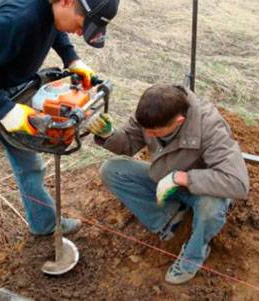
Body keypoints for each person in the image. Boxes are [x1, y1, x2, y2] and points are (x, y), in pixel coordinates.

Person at [0, 0, 120, 300]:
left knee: (30, 168)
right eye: (83, 25)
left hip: (19, 91)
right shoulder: (19, 16)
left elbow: (55, 28)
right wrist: (4, 109)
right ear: (67, 1)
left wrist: (72, 58)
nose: (81, 33)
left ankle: (43, 223)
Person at [87, 84, 249, 284]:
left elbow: (237, 183)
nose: (148, 134)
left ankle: (193, 255)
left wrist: (183, 178)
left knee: (211, 208)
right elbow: (128, 143)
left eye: (154, 132)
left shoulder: (210, 127)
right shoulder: (152, 112)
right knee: (112, 170)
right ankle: (169, 220)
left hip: (202, 189)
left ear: (178, 121)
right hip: (164, 178)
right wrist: (109, 135)